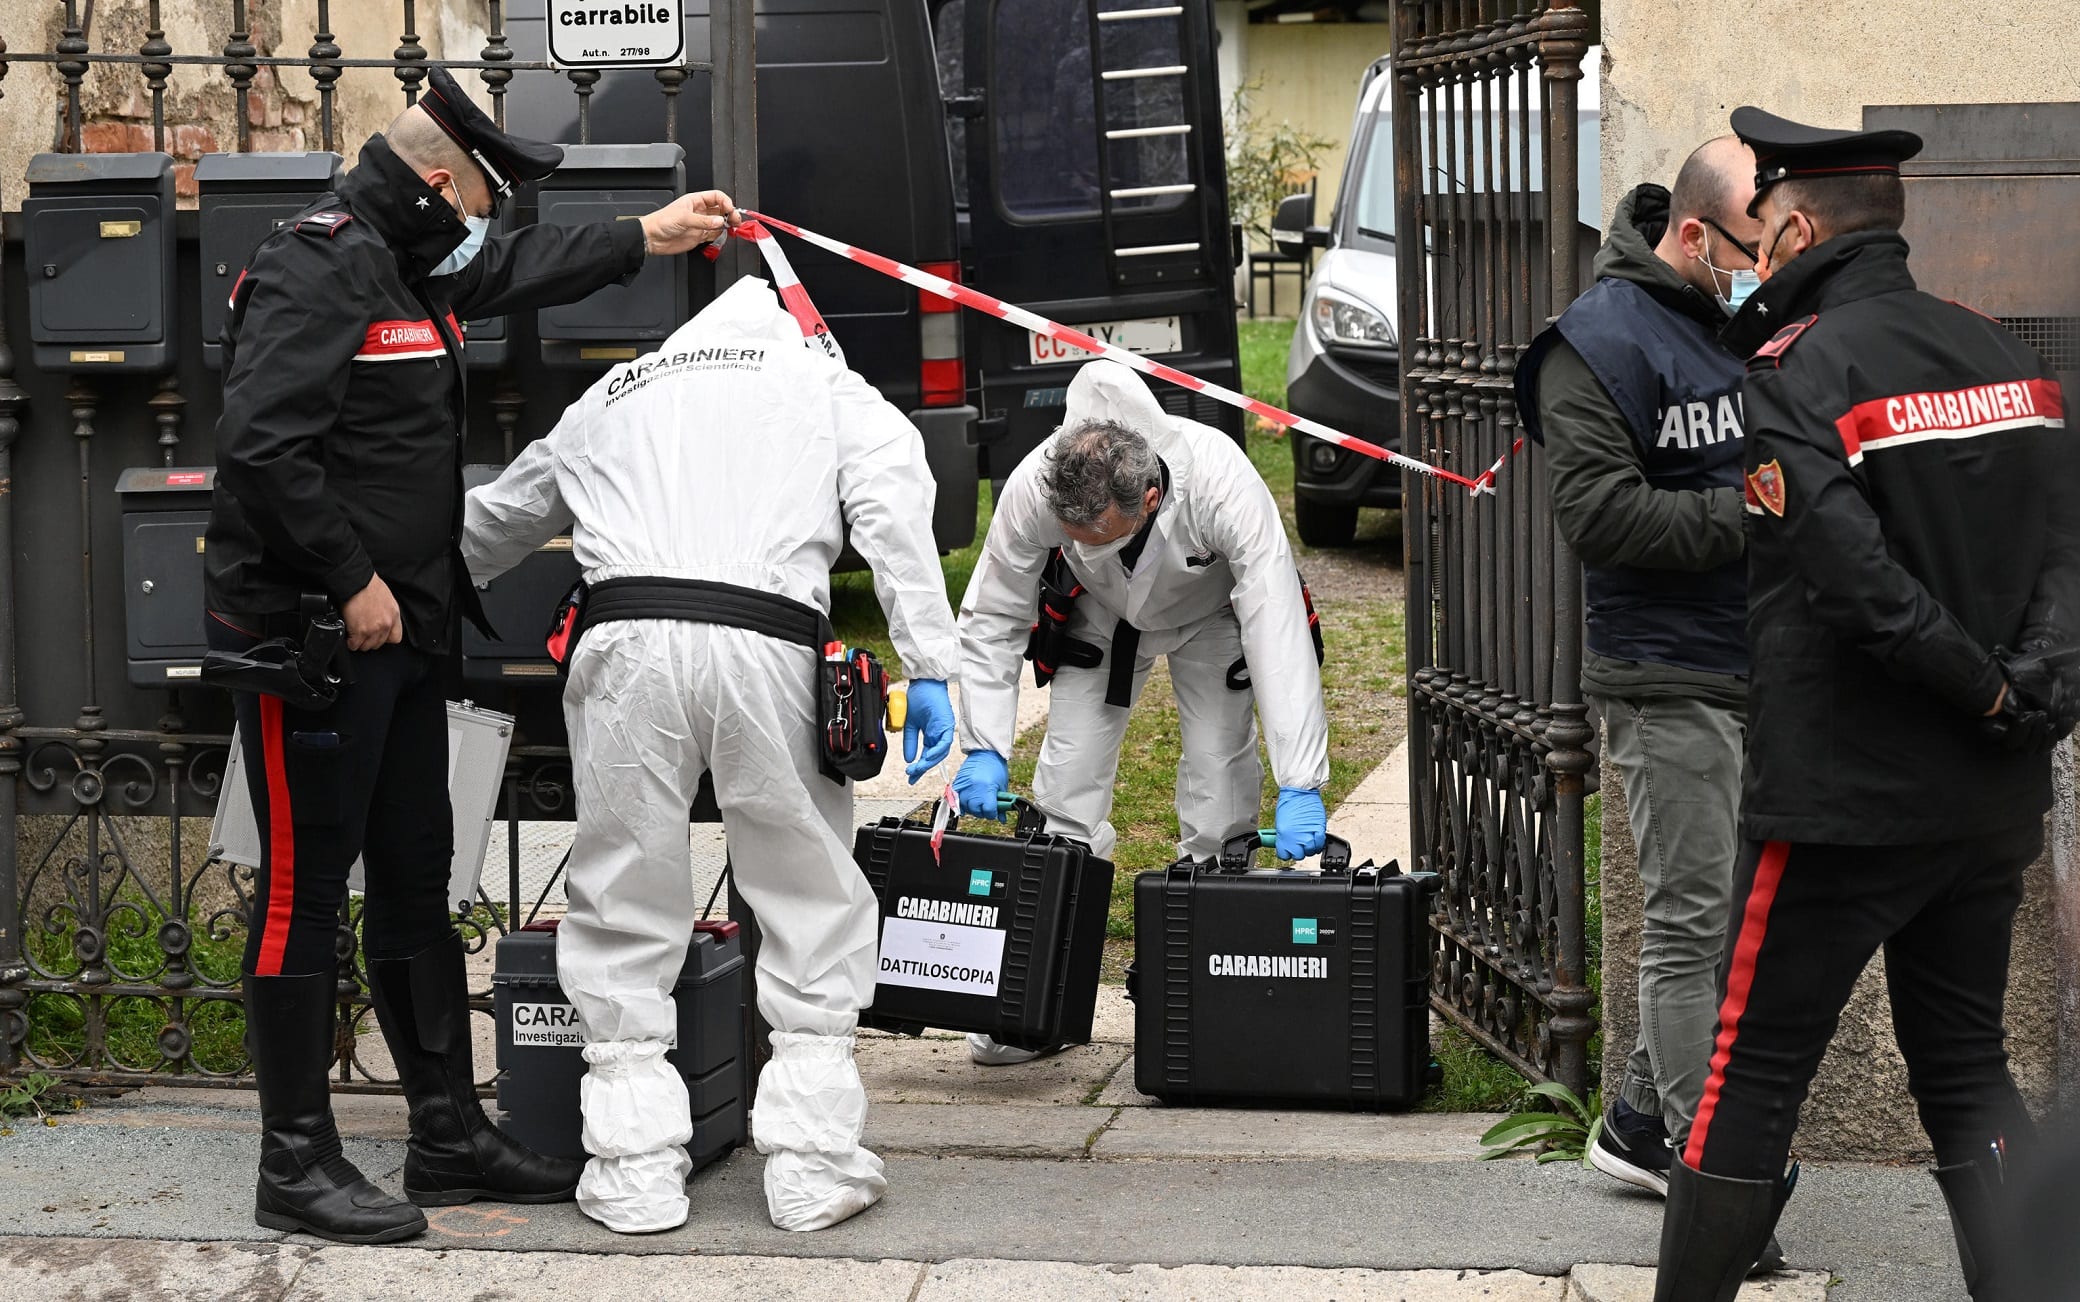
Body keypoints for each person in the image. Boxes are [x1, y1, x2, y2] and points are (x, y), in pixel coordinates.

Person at [205, 67, 738, 1245]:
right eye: (486, 202)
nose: (488, 228)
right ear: (439, 185)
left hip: (408, 641)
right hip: (318, 643)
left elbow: (506, 274)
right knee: (302, 893)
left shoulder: (409, 260)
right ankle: (293, 1163)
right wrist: (350, 581)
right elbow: (260, 451)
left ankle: (447, 1135)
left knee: (412, 882)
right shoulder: (316, 261)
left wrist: (645, 234)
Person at [1653, 107, 2080, 1302]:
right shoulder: (2003, 355)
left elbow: (1853, 582)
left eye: (1757, 239)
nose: (1753, 262)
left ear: (1791, 226)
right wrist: (2032, 691)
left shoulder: (1799, 371)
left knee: (1749, 1073)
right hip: (1986, 804)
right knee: (1965, 1064)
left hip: (1839, 806)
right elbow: (2063, 549)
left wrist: (1987, 685)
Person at [460, 274, 961, 1235]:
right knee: (807, 891)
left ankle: (636, 1167)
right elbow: (897, 501)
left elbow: (499, 520)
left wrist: (409, 588)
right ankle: (811, 1166)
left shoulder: (614, 394)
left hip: (627, 646)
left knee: (622, 896)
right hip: (768, 641)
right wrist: (931, 661)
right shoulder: (821, 384)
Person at [1516, 136, 1773, 1242]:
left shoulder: (1730, 324)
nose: (1760, 269)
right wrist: (1750, 519)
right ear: (1691, 235)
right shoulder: (1595, 344)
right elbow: (1601, 520)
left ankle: (1633, 1120)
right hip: (1666, 674)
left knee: (1716, 926)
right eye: (1748, 250)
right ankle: (1707, 1184)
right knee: (1685, 930)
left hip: (1746, 663)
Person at [952, 360, 1330, 1065]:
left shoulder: (1221, 483)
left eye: (1104, 534)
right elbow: (995, 610)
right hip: (1099, 618)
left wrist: (1301, 779)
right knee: (1064, 786)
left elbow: (1275, 624)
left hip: (1211, 615)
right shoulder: (1042, 481)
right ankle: (1035, 1002)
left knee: (1220, 793)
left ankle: (1204, 996)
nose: (1086, 542)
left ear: (1151, 497)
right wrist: (984, 742)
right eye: (1076, 535)